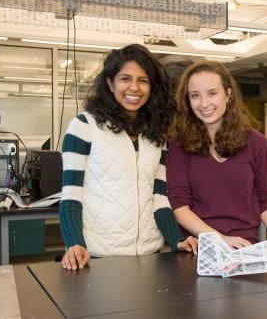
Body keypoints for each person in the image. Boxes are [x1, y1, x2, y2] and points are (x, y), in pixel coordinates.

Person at [59, 44, 197, 270]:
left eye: (143, 80)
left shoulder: (156, 134)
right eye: (125, 79)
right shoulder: (84, 126)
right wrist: (74, 243)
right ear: (109, 83)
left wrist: (177, 239)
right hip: (99, 256)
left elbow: (158, 196)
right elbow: (72, 195)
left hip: (150, 255)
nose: (134, 88)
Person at [167, 60, 267, 249]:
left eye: (212, 93)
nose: (204, 103)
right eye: (195, 96)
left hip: (245, 247)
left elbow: (264, 200)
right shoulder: (178, 145)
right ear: (188, 100)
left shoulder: (257, 143)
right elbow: (180, 208)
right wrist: (219, 238)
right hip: (200, 248)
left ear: (228, 94)